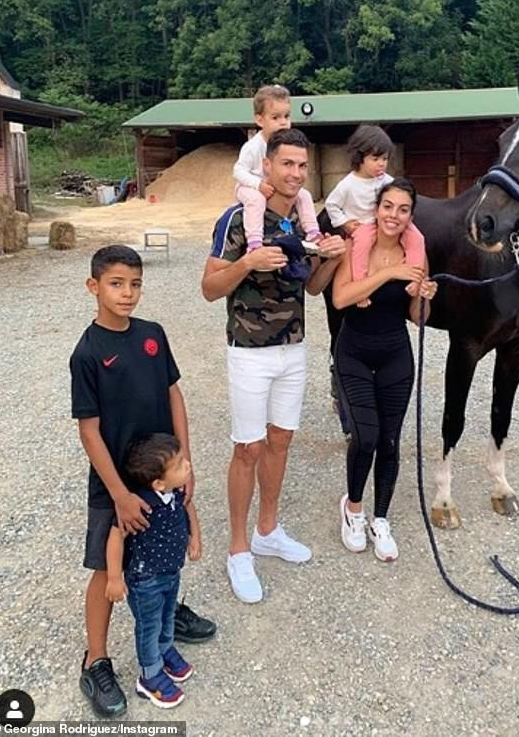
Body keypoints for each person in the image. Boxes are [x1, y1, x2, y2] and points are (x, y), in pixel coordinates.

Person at [70, 245, 216, 718]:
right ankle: (95, 660)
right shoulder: (88, 353)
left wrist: (184, 460)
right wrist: (118, 494)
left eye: (135, 284)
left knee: (165, 548)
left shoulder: (153, 334)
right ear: (93, 287)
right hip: (114, 484)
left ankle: (164, 619)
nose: (127, 293)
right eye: (116, 283)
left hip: (162, 475)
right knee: (105, 565)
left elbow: (174, 394)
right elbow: (89, 430)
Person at [202, 128, 346, 604]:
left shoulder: (303, 221)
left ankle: (267, 530)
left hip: (293, 348)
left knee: (280, 441)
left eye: (303, 165)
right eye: (287, 163)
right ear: (266, 165)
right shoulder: (238, 218)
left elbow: (313, 288)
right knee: (248, 447)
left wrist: (331, 258)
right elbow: (209, 288)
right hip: (249, 351)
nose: (296, 173)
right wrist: (248, 262)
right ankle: (238, 549)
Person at [332, 178, 437, 561]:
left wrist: (425, 297)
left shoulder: (416, 253)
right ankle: (353, 509)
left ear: (411, 216)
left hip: (395, 353)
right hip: (354, 352)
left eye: (403, 209)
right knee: (365, 437)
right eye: (388, 206)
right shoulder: (355, 245)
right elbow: (342, 297)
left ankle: (380, 518)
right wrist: (389, 274)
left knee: (390, 440)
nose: (394, 215)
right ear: (377, 209)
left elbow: (418, 317)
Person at [105, 433, 201, 709]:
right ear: (158, 482)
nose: (187, 465)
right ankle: (150, 675)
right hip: (145, 579)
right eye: (180, 464)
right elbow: (116, 535)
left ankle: (165, 649)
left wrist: (195, 537)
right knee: (149, 626)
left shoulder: (177, 491)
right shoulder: (142, 504)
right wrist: (114, 577)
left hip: (171, 572)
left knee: (167, 615)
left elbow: (188, 508)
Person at [324, 124, 424, 291]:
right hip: (364, 226)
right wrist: (344, 222)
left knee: (416, 237)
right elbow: (331, 204)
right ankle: (360, 284)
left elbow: (399, 193)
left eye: (385, 159)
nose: (381, 164)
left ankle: (415, 277)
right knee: (361, 246)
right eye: (375, 159)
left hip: (387, 223)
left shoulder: (386, 180)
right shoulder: (348, 184)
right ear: (360, 157)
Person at [233, 84, 322, 252]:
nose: (283, 122)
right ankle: (254, 242)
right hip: (250, 187)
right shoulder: (253, 147)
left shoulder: (287, 145)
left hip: (271, 187)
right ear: (260, 120)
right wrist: (258, 185)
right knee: (256, 201)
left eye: (286, 116)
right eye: (275, 117)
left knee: (304, 195)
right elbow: (238, 171)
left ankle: (312, 231)